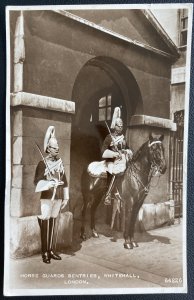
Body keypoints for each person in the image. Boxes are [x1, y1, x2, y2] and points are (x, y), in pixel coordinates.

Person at [34, 126, 69, 264]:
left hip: (58, 197)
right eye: (55, 148)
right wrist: (48, 182)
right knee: (45, 221)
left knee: (54, 223)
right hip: (47, 197)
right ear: (48, 149)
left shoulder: (60, 163)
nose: (57, 149)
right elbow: (36, 181)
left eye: (58, 147)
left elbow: (65, 180)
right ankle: (44, 252)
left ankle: (51, 250)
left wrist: (65, 197)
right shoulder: (42, 164)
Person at [102, 107, 133, 205]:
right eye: (119, 126)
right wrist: (114, 153)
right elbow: (103, 151)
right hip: (112, 159)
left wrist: (126, 151)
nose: (121, 128)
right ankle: (108, 194)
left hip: (122, 159)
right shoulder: (109, 137)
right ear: (114, 126)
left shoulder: (123, 138)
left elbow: (127, 148)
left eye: (122, 126)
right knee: (112, 171)